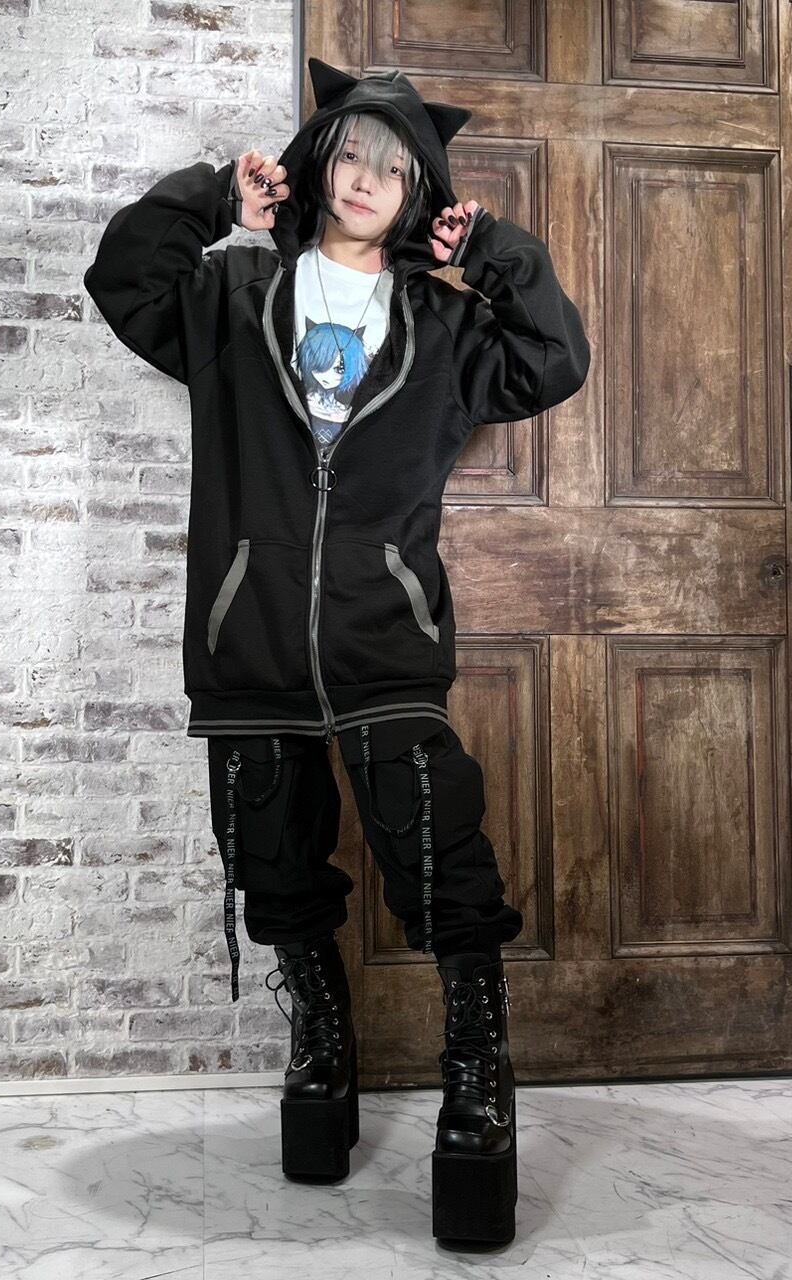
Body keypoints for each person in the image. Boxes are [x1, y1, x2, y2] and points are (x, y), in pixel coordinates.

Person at [84, 57, 590, 1245]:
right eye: (351, 154)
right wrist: (215, 198)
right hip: (249, 635)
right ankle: (320, 1041)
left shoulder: (445, 323)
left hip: (382, 639)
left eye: (393, 169)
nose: (365, 178)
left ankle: (477, 1069)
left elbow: (551, 357)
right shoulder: (229, 296)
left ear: (418, 197)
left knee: (439, 854)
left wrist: (494, 254)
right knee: (271, 859)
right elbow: (123, 273)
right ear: (318, 166)